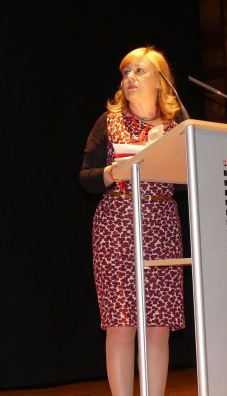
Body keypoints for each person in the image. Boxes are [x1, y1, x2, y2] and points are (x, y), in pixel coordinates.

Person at [79, 46, 185, 396]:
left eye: (139, 71)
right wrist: (113, 172)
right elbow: (86, 177)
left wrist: (169, 149)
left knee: (158, 326)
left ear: (160, 81)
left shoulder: (177, 127)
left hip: (161, 227)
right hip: (117, 228)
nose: (130, 78)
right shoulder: (108, 123)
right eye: (126, 73)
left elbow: (192, 176)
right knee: (121, 323)